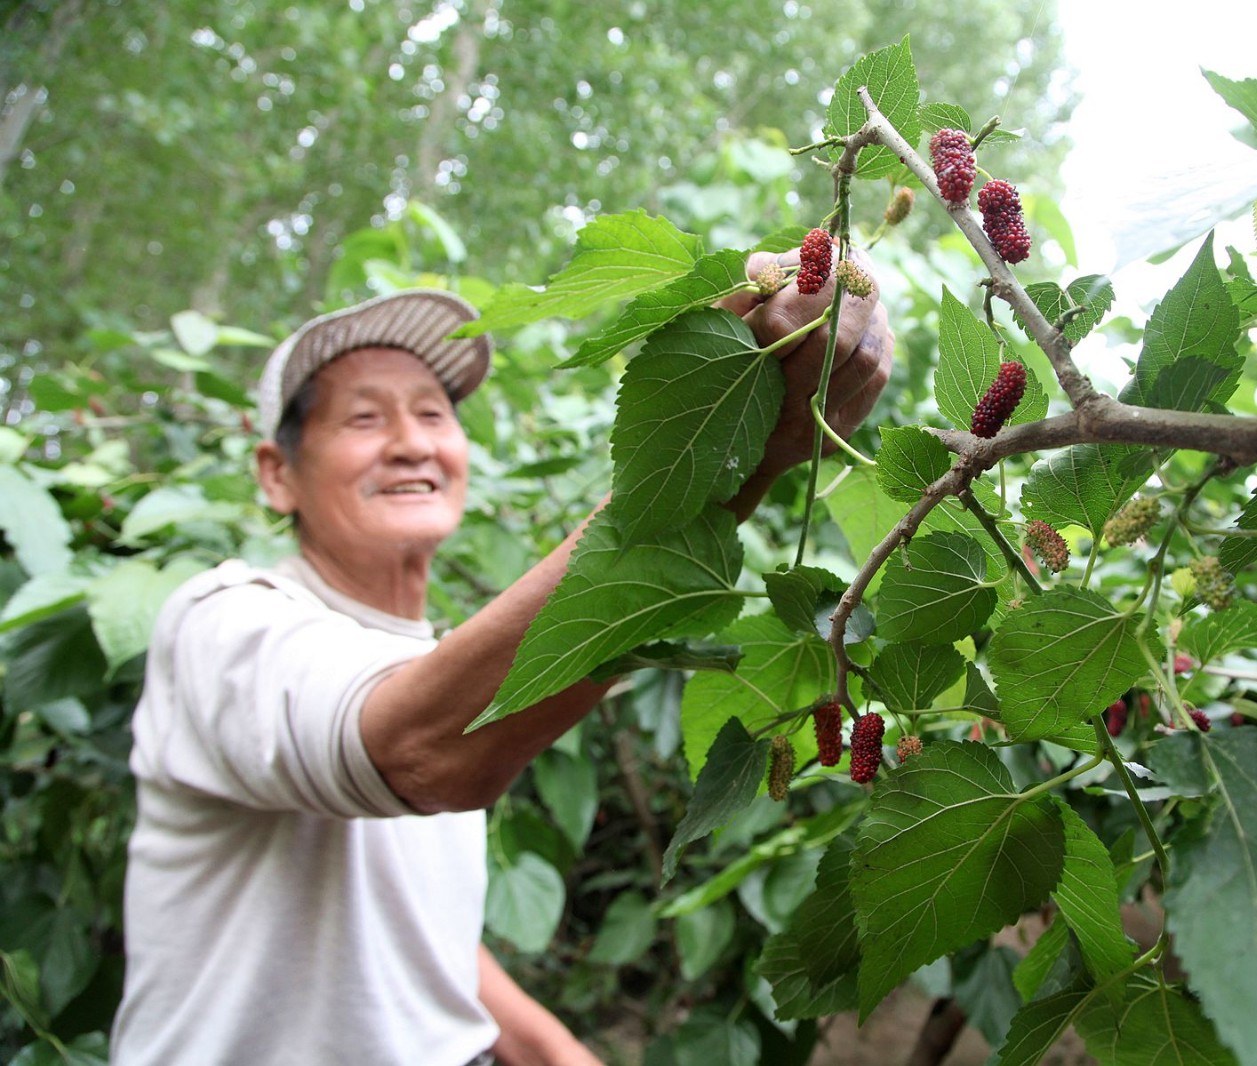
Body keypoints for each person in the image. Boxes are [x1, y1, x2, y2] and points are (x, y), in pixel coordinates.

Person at [109, 252, 893, 1065]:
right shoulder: (221, 623)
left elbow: (414, 938)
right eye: (365, 420)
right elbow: (421, 751)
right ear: (276, 475)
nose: (412, 443)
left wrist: (558, 1055)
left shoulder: (431, 656)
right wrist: (727, 448)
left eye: (433, 414)